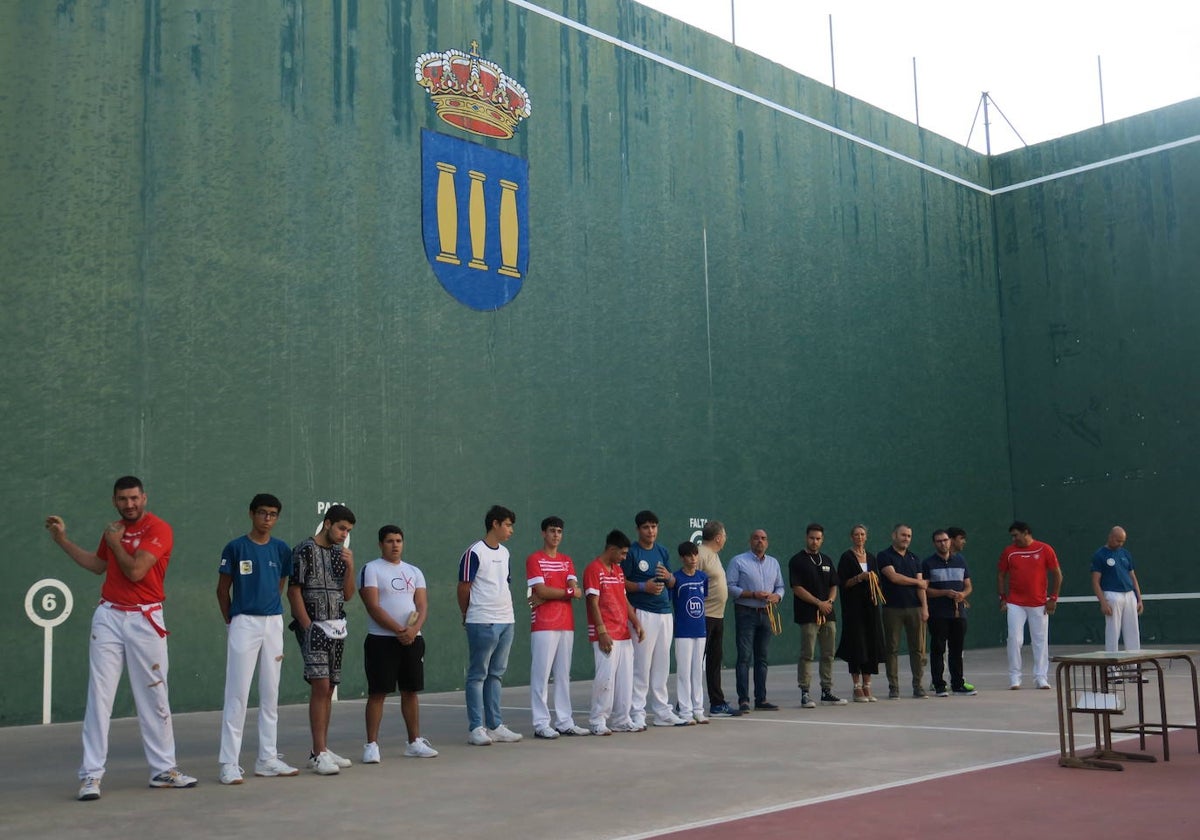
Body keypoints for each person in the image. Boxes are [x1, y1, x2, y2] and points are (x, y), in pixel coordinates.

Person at [45, 475, 197, 801]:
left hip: (146, 619)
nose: (129, 504)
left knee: (154, 696)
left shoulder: (159, 529)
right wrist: (63, 540)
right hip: (109, 618)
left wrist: (115, 542)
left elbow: (136, 571)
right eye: (122, 499)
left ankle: (163, 770)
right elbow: (98, 565)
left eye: (134, 498)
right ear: (115, 501)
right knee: (99, 697)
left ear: (144, 498)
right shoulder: (112, 531)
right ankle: (90, 776)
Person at [217, 493, 299, 785]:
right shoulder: (236, 547)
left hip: (273, 623)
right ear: (251, 513)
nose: (267, 518)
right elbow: (222, 589)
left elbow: (280, 585)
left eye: (273, 514)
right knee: (237, 694)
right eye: (262, 513)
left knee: (270, 693)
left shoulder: (280, 550)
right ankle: (228, 762)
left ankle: (267, 758)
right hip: (243, 623)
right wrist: (233, 620)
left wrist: (267, 611)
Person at [360, 525, 438, 763]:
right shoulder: (371, 569)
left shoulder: (414, 571)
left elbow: (422, 605)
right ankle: (371, 745)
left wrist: (413, 630)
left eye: (398, 540)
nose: (395, 545)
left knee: (410, 691)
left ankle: (414, 742)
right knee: (378, 692)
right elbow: (373, 606)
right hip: (381, 641)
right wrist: (398, 630)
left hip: (413, 640)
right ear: (380, 544)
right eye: (389, 541)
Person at [288, 504, 356, 775]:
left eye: (348, 531)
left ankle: (322, 750)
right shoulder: (304, 549)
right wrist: (308, 627)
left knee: (328, 689)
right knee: (320, 686)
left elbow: (348, 594)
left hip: (337, 628)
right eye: (341, 528)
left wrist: (351, 567)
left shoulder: (342, 555)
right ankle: (318, 755)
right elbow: (294, 592)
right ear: (327, 523)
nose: (343, 534)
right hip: (314, 628)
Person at [458, 505, 523, 745]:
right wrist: (467, 614)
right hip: (482, 621)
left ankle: (495, 725)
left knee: (496, 674)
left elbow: (505, 583)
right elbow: (464, 587)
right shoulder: (474, 552)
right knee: (477, 675)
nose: (511, 530)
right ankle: (476, 727)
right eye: (507, 524)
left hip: (507, 620)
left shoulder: (505, 553)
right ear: (495, 524)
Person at [526, 516, 589, 738]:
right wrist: (565, 593)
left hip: (566, 624)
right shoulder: (534, 559)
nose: (556, 535)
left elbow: (577, 590)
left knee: (563, 675)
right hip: (543, 624)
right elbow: (540, 592)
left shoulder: (567, 560)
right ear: (543, 533)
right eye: (552, 531)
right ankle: (541, 723)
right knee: (541, 676)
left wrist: (557, 593)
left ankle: (564, 721)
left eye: (559, 531)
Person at [623, 510, 686, 728]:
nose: (651, 531)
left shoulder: (662, 551)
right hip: (642, 613)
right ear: (638, 530)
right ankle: (637, 712)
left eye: (654, 526)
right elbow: (621, 583)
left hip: (664, 613)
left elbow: (671, 582)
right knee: (641, 665)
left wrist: (669, 577)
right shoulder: (632, 553)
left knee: (662, 665)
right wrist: (643, 586)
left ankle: (662, 711)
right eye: (646, 527)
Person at [585, 530, 645, 735]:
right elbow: (592, 602)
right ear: (611, 550)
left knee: (625, 681)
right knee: (605, 680)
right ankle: (597, 720)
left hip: (623, 633)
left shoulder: (618, 571)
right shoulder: (594, 569)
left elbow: (624, 599)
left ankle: (621, 719)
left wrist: (635, 621)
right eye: (622, 553)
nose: (624, 557)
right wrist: (602, 631)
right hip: (606, 635)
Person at [997, 520, 1063, 690]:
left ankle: (1041, 677)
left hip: (1039, 603)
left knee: (1040, 640)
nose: (1013, 539)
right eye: (1012, 536)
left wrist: (1053, 598)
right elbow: (1001, 575)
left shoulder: (1044, 549)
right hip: (1015, 603)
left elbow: (1057, 574)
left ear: (1026, 532)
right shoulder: (1009, 552)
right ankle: (1014, 677)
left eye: (1016, 535)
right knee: (1014, 639)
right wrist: (1002, 598)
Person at [726, 529, 785, 713]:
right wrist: (752, 594)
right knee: (744, 658)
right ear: (750, 541)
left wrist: (777, 596)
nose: (760, 541)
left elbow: (780, 586)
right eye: (756, 538)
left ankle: (761, 699)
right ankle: (743, 700)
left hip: (767, 613)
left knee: (762, 658)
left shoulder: (774, 563)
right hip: (746, 613)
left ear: (767, 542)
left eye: (763, 538)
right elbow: (730, 587)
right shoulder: (738, 561)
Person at [789, 523, 846, 708]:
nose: (815, 541)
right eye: (812, 538)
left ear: (822, 540)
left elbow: (834, 585)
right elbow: (797, 588)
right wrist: (818, 603)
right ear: (807, 538)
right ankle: (805, 693)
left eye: (818, 538)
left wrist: (829, 601)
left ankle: (826, 691)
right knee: (807, 654)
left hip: (828, 615)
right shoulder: (797, 560)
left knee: (828, 654)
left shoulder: (827, 560)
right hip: (808, 615)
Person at [835, 524, 886, 702]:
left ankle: (867, 685)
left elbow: (878, 581)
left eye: (862, 534)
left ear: (866, 537)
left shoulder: (872, 557)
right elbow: (843, 583)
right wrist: (860, 578)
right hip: (854, 610)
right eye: (856, 534)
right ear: (851, 537)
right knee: (857, 644)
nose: (860, 537)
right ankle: (856, 686)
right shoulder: (846, 558)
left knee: (871, 643)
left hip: (870, 609)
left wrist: (874, 581)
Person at [877, 523, 929, 699]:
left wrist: (925, 608)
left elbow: (922, 587)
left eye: (909, 536)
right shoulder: (884, 556)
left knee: (918, 649)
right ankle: (894, 687)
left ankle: (918, 686)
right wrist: (917, 582)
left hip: (915, 608)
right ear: (894, 536)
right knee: (892, 648)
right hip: (892, 609)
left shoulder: (915, 558)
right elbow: (893, 577)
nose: (906, 539)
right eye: (903, 535)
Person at [922, 529, 976, 697]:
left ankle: (958, 684)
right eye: (939, 541)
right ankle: (939, 685)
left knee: (956, 650)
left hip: (958, 614)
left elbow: (968, 585)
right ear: (934, 543)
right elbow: (925, 589)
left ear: (950, 542)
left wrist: (963, 594)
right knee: (938, 650)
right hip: (938, 614)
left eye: (945, 540)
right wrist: (944, 593)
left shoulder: (960, 561)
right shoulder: (928, 563)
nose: (943, 543)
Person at [696, 520, 739, 717]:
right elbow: (690, 581)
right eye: (725, 535)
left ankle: (716, 704)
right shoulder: (700, 554)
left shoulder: (713, 555)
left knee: (714, 661)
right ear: (718, 538)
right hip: (703, 617)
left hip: (717, 616)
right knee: (696, 662)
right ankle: (685, 702)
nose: (726, 539)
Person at [672, 541, 709, 724]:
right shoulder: (676, 578)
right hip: (682, 632)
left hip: (700, 630)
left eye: (695, 555)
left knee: (697, 672)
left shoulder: (703, 577)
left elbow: (703, 600)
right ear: (682, 558)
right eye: (689, 555)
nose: (693, 559)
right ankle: (685, 711)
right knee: (684, 672)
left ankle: (698, 710)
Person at [1091, 526, 1142, 653]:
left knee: (1132, 631)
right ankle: (1112, 670)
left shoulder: (1125, 554)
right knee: (1113, 632)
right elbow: (1095, 582)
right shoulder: (1099, 555)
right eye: (1118, 540)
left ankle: (1134, 667)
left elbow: (1133, 577)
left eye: (1122, 541)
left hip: (1129, 595)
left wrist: (1139, 599)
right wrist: (1103, 602)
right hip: (1112, 595)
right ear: (1111, 537)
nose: (1120, 544)